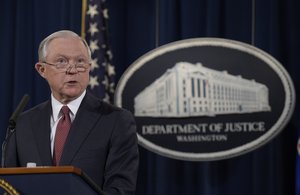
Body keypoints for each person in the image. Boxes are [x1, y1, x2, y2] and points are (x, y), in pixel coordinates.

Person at [3, 30, 139, 195]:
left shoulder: (116, 121)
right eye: (61, 61)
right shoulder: (23, 123)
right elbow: (8, 188)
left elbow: (120, 190)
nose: (72, 70)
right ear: (42, 69)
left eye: (80, 62)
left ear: (89, 67)